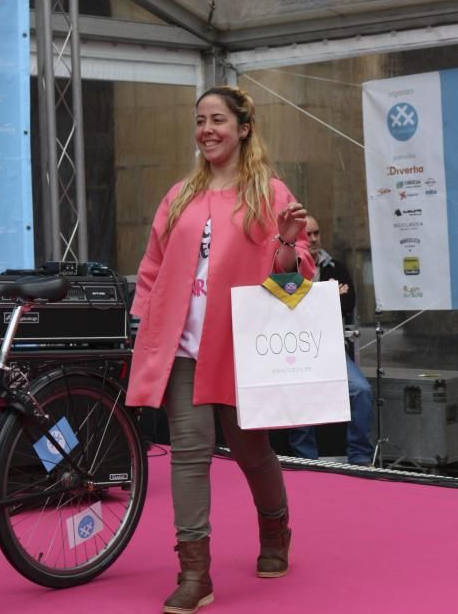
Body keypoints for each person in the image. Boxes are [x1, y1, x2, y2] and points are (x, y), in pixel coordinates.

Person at [126, 86, 315, 614]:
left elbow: (296, 274)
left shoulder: (271, 193)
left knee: (251, 449)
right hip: (184, 347)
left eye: (218, 120)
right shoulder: (180, 194)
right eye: (200, 121)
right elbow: (152, 267)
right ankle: (194, 573)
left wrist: (286, 241)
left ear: (243, 128)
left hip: (243, 347)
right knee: (189, 453)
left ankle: (275, 532)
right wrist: (143, 325)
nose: (207, 130)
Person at [288, 215, 374, 466]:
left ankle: (360, 457)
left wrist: (309, 299)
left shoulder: (336, 267)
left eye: (317, 234)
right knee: (300, 393)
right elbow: (288, 308)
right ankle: (304, 459)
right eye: (308, 234)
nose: (314, 239)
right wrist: (328, 294)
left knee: (361, 390)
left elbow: (348, 304)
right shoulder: (288, 267)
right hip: (299, 348)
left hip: (330, 347)